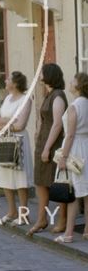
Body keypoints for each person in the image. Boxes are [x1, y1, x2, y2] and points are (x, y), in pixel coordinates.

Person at [27, 63, 68, 236]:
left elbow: (58, 124)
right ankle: (42, 218)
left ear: (49, 75)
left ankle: (62, 220)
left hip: (52, 145)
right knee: (41, 182)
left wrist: (47, 149)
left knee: (57, 183)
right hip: (42, 143)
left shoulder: (58, 96)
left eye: (42, 72)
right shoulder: (49, 94)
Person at [0, 71, 33, 225]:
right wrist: (10, 119)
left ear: (16, 83)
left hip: (19, 142)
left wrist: (5, 124)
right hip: (5, 140)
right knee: (5, 176)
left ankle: (24, 214)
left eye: (9, 79)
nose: (5, 80)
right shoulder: (7, 99)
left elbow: (20, 125)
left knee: (20, 178)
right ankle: (11, 211)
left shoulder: (26, 100)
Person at [55, 73, 88, 243]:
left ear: (78, 85)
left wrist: (63, 157)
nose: (70, 82)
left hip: (75, 150)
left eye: (73, 80)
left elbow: (70, 135)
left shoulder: (74, 106)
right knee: (87, 191)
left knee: (73, 192)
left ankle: (68, 233)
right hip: (86, 147)